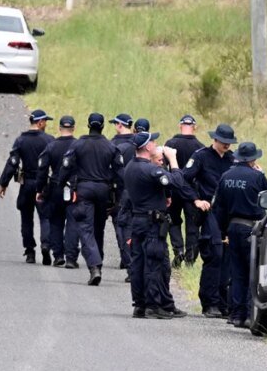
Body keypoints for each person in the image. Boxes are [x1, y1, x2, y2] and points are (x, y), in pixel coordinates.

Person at [124, 125, 202, 319]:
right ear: (148, 147)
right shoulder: (149, 169)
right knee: (154, 263)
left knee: (141, 263)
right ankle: (152, 305)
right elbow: (177, 181)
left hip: (140, 220)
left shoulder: (131, 166)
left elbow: (161, 188)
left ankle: (147, 304)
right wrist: (173, 160)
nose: (157, 144)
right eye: (154, 142)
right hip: (151, 223)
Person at [58, 113, 125, 286]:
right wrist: (118, 197)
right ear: (102, 126)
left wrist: (61, 183)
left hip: (84, 190)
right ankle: (99, 261)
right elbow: (120, 173)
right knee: (98, 228)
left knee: (85, 228)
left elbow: (66, 166)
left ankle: (94, 266)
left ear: (88, 125)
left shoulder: (78, 144)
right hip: (103, 190)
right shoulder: (110, 146)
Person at [213, 142, 267, 328]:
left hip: (232, 228)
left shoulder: (226, 176)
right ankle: (249, 315)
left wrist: (224, 230)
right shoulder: (257, 177)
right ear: (253, 159)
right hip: (251, 230)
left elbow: (219, 207)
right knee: (252, 273)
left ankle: (236, 315)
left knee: (237, 272)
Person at [183, 123, 237, 318]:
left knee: (228, 256)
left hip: (229, 214)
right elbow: (183, 178)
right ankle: (210, 302)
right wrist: (195, 200)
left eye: (229, 143)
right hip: (210, 212)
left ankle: (224, 303)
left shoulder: (233, 159)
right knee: (214, 253)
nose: (226, 146)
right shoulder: (200, 156)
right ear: (215, 140)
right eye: (224, 142)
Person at [0, 109, 55, 265]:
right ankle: (46, 245)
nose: (46, 125)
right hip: (42, 184)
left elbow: (13, 162)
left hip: (26, 183)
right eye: (46, 122)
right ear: (40, 122)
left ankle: (30, 251)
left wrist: (3, 183)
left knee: (26, 218)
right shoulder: (49, 140)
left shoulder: (20, 140)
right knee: (45, 217)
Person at [34, 115, 80, 268]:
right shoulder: (78, 145)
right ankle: (71, 258)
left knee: (55, 222)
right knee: (73, 223)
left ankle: (58, 255)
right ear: (73, 129)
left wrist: (39, 189)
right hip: (74, 188)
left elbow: (42, 170)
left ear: (60, 128)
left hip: (55, 187)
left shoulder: (51, 146)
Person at [165, 114, 206, 268]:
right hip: (192, 191)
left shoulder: (170, 143)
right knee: (192, 225)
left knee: (173, 220)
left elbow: (163, 166)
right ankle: (190, 259)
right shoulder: (201, 147)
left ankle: (178, 250)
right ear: (194, 127)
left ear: (180, 126)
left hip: (174, 188)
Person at [109, 114, 137, 276]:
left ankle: (125, 257)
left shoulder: (113, 144)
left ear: (120, 125)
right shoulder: (139, 144)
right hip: (138, 192)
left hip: (119, 192)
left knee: (121, 224)